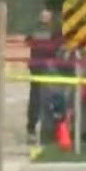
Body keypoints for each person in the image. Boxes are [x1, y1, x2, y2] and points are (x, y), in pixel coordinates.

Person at [27, 8, 59, 142]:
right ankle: (34, 128)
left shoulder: (46, 31)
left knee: (40, 98)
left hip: (43, 67)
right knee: (38, 98)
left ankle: (36, 128)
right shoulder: (53, 31)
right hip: (42, 67)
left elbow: (28, 41)